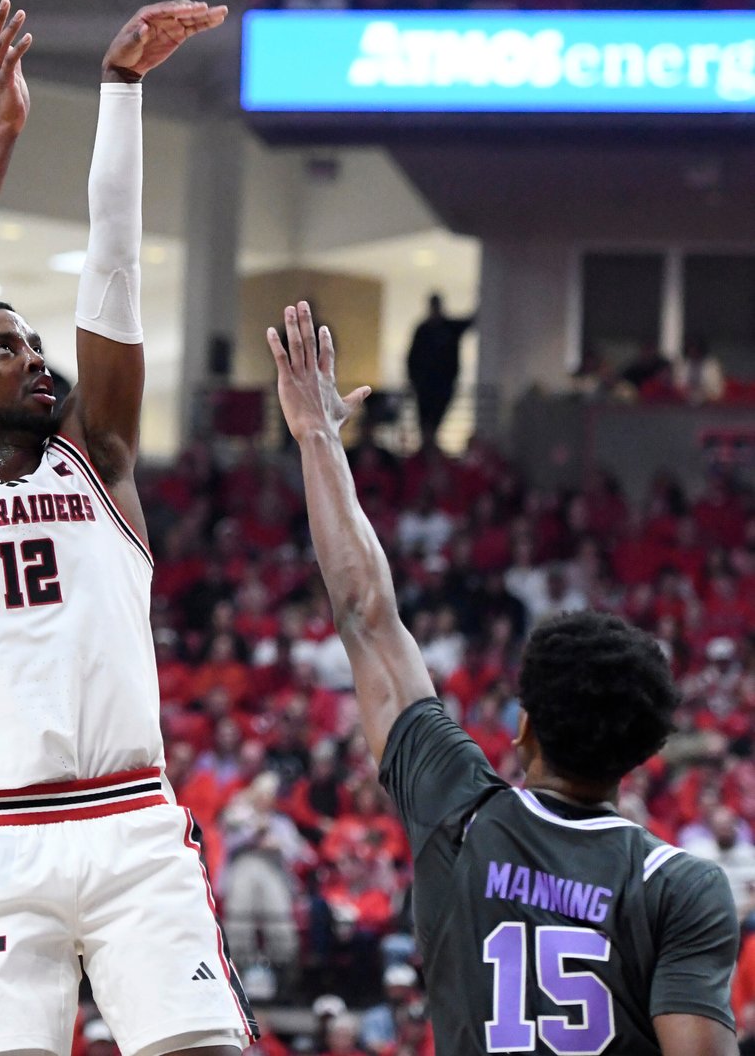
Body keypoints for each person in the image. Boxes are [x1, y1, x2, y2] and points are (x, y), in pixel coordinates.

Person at [0, 0, 258, 1056]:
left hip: (137, 829)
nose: (37, 357)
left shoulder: (103, 458)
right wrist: (2, 136)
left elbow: (114, 278)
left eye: (38, 343)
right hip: (1, 846)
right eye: (3, 348)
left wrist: (122, 93)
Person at [266, 302, 740, 1056]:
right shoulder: (680, 885)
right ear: (643, 753)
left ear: (523, 727)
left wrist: (319, 438)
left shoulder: (459, 813)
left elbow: (364, 611)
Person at [405, 294, 474, 444]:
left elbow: (471, 321)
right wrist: (413, 381)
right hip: (425, 388)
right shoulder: (423, 330)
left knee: (433, 422)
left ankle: (430, 446)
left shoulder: (448, 327)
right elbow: (412, 358)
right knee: (426, 422)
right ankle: (427, 447)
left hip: (443, 386)